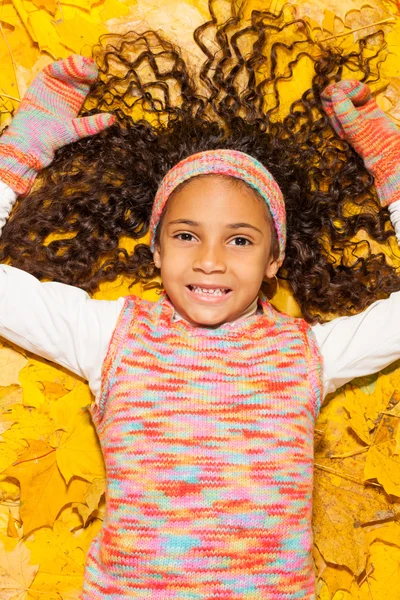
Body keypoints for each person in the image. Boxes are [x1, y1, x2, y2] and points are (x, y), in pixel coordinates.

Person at [1, 7, 400, 599]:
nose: (210, 259)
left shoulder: (307, 352)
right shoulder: (111, 335)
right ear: (157, 251)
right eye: (186, 235)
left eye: (240, 240)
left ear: (273, 262)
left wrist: (388, 167)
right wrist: (21, 155)